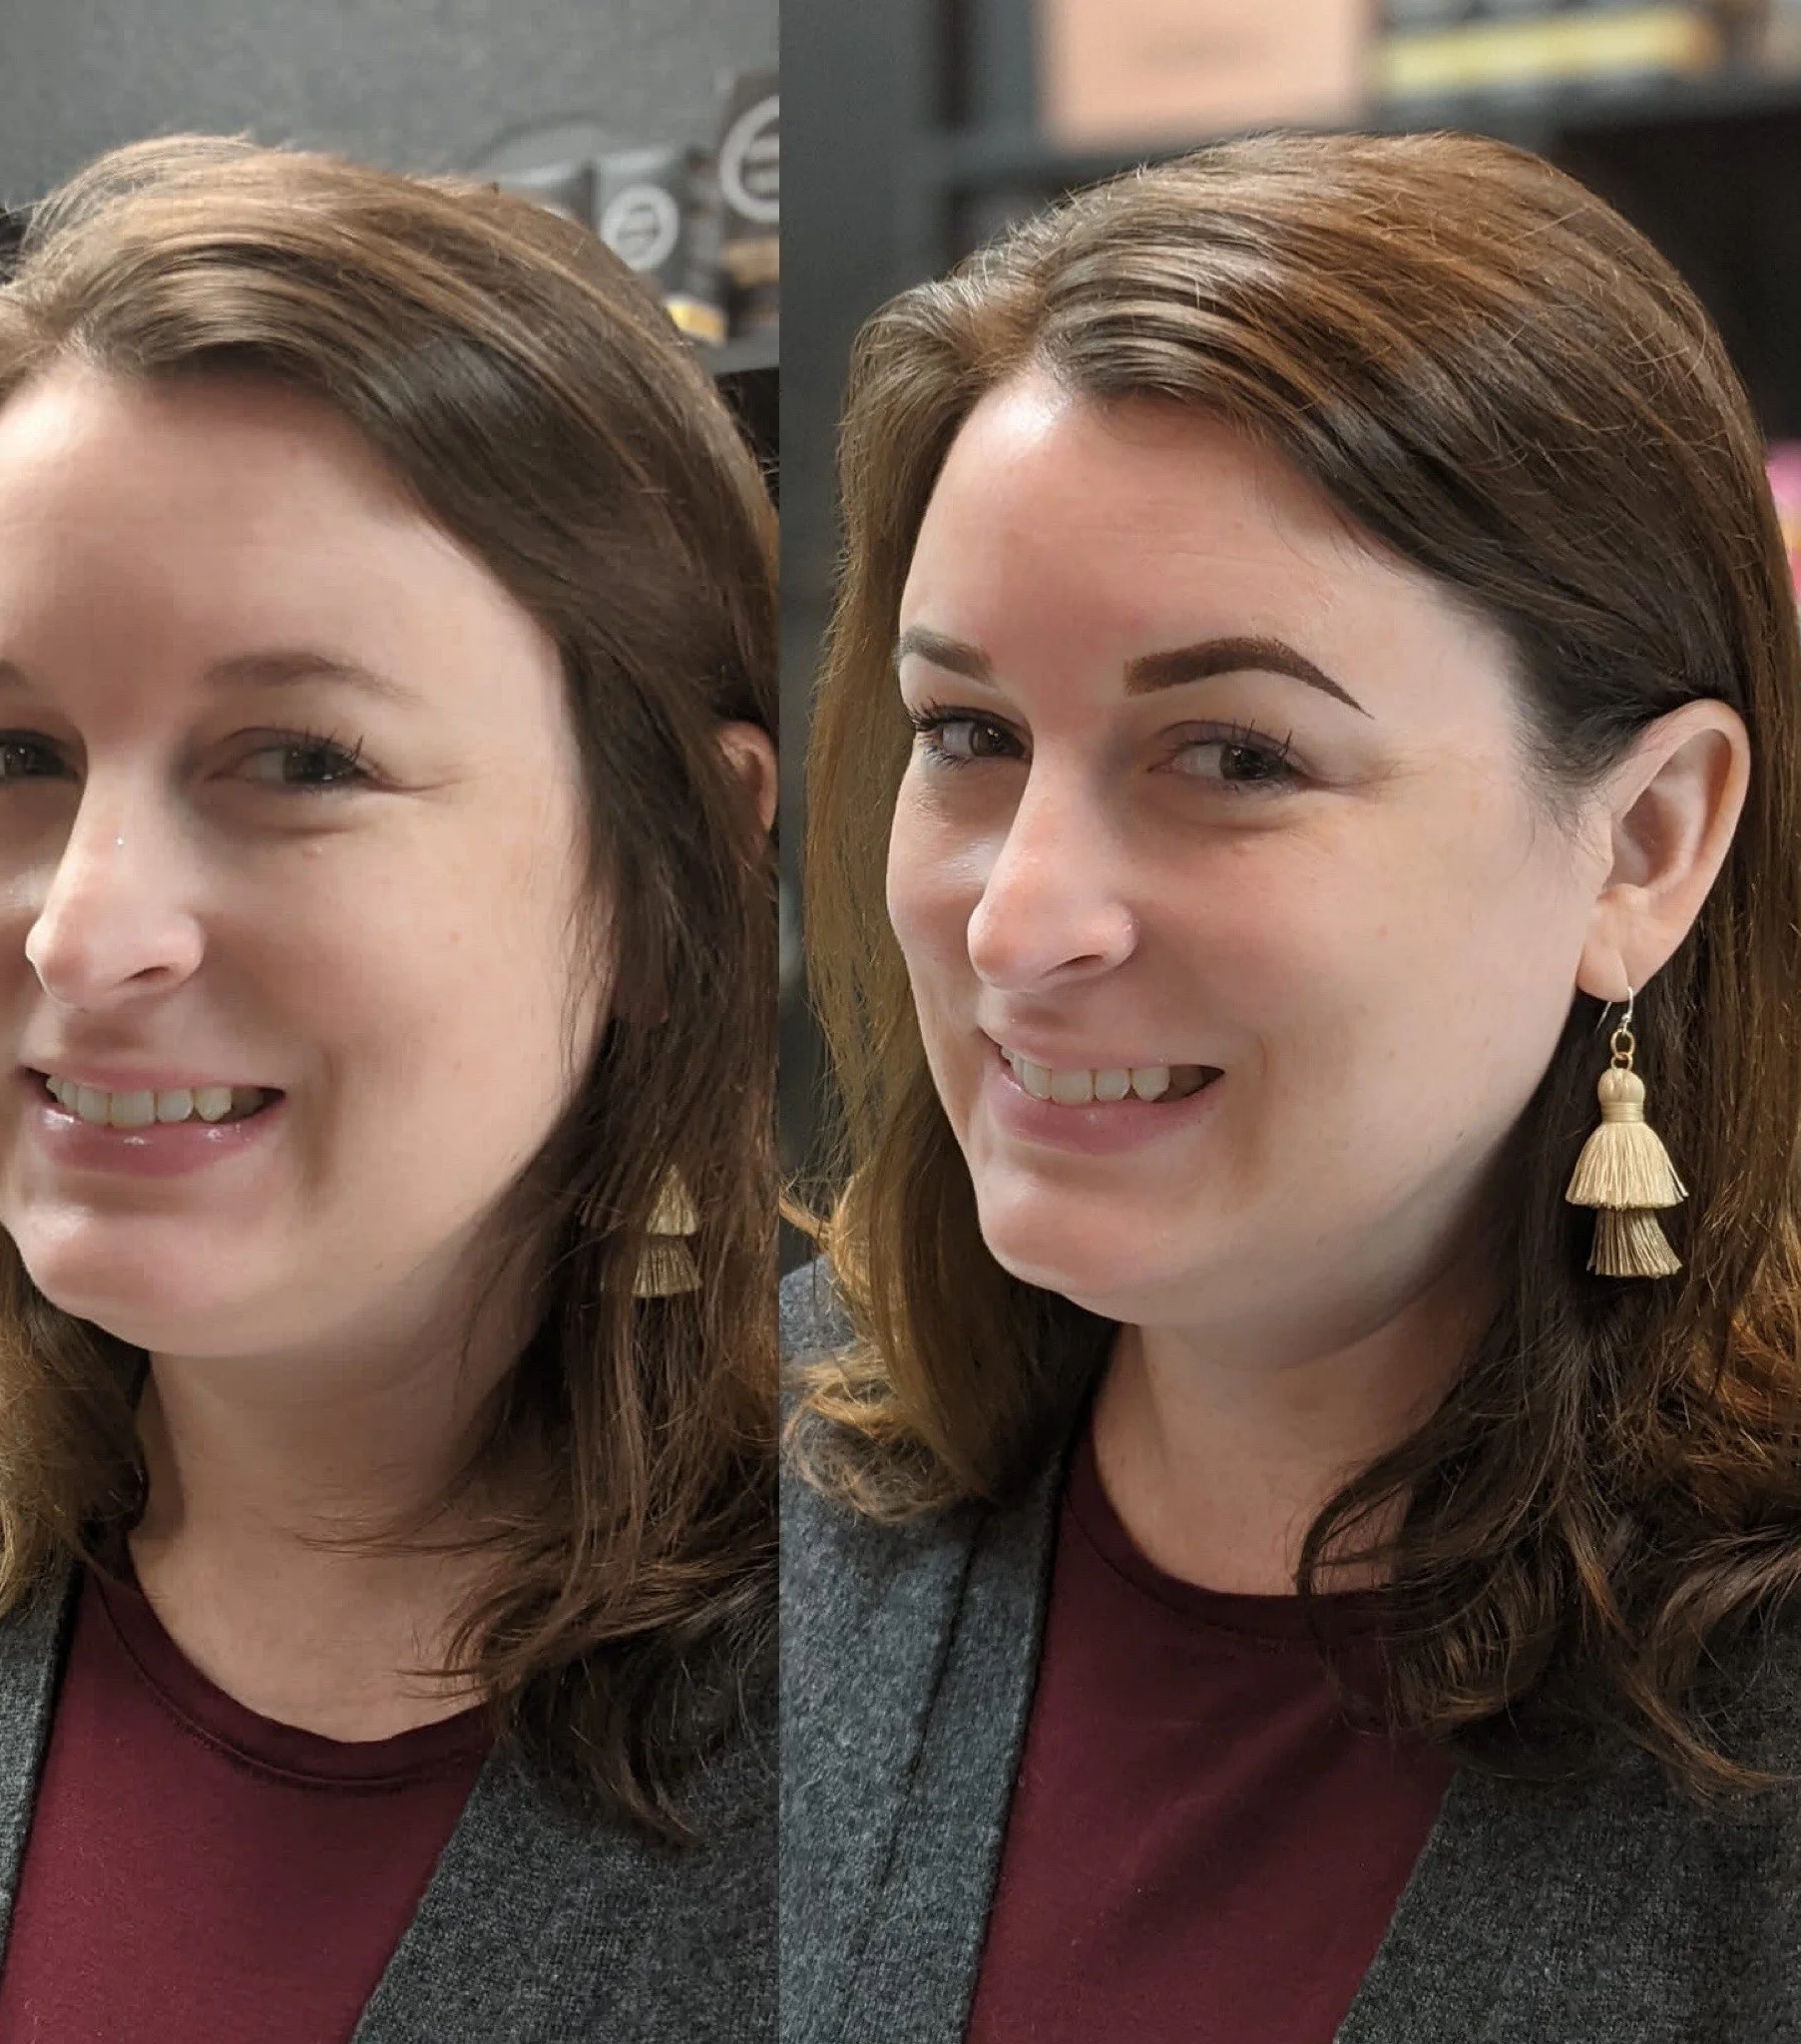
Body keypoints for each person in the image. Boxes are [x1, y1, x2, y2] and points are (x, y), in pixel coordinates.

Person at [784, 129, 1801, 2044]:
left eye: (1234, 756)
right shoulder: (714, 1511)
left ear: (1646, 842)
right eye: (970, 733)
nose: (1018, 921)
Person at [0, 135, 777, 2043]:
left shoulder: (937, 1667)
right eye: (5, 755)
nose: (83, 933)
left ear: (678, 869)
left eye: (299, 760)